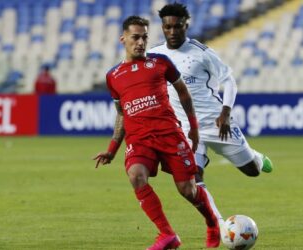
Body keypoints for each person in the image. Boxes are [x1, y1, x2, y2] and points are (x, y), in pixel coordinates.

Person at [93, 16, 220, 249]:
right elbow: (121, 114)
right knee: (135, 175)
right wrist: (112, 149)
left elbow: (183, 92)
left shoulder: (161, 62)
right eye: (135, 37)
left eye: (144, 37)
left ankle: (212, 223)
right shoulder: (113, 76)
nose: (140, 42)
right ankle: (167, 234)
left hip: (169, 135)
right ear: (123, 39)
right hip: (140, 139)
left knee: (188, 190)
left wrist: (193, 127)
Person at [149, 3, 274, 226]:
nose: (172, 32)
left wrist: (226, 113)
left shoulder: (202, 53)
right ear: (163, 27)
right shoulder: (155, 55)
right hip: (186, 129)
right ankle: (220, 224)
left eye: (177, 27)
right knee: (193, 178)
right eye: (168, 27)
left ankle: (254, 156)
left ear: (185, 25)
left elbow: (229, 80)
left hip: (216, 122)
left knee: (252, 171)